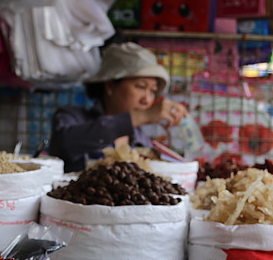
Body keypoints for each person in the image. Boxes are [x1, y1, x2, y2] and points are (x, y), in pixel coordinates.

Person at [50, 42, 188, 172]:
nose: (147, 100)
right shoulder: (71, 118)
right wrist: (143, 116)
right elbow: (63, 145)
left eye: (152, 91)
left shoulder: (141, 140)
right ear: (110, 85)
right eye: (140, 86)